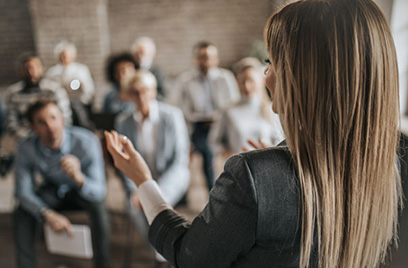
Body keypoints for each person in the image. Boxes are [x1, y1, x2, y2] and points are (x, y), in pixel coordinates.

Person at [105, 0, 402, 267]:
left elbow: (189, 256)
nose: (266, 76)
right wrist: (275, 166)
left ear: (304, 77)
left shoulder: (251, 174)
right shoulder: (396, 162)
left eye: (271, 62)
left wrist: (143, 181)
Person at [14, 99, 111, 268]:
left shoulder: (87, 142)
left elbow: (99, 191)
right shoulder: (26, 147)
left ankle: (103, 265)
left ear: (62, 119)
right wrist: (47, 213)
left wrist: (79, 177)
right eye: (41, 122)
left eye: (53, 118)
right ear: (33, 128)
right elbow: (22, 192)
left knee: (100, 208)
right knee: (21, 212)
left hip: (81, 189)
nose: (51, 126)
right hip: (52, 190)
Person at [114, 70, 190, 263]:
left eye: (144, 91)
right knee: (134, 206)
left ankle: (162, 253)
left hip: (172, 175)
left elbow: (180, 160)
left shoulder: (172, 115)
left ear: (154, 91)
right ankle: (162, 252)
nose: (140, 96)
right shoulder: (123, 121)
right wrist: (135, 189)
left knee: (154, 202)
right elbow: (125, 163)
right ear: (129, 95)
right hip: (139, 180)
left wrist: (152, 190)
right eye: (135, 92)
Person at [178, 41, 239, 190]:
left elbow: (234, 104)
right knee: (206, 148)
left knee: (213, 146)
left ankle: (222, 189)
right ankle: (213, 190)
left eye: (208, 57)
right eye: (201, 57)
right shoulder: (186, 81)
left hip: (223, 124)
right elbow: (183, 109)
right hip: (198, 125)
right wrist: (201, 117)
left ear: (216, 59)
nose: (204, 61)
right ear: (195, 59)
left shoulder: (226, 77)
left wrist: (217, 117)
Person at [210, 57, 284, 157]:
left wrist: (268, 152)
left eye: (251, 80)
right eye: (242, 81)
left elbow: (281, 144)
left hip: (265, 165)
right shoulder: (227, 110)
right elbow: (214, 142)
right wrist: (232, 156)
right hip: (236, 166)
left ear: (261, 80)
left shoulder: (273, 110)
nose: (246, 86)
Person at [4, 54, 72, 140]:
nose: (31, 72)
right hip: (26, 140)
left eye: (35, 67)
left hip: (54, 137)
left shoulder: (54, 90)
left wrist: (51, 134)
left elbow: (65, 117)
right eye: (27, 68)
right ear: (21, 71)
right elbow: (11, 123)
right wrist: (31, 139)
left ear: (41, 68)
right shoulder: (13, 94)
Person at [45, 41, 95, 128]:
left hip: (78, 102)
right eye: (62, 55)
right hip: (60, 103)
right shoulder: (52, 72)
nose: (64, 58)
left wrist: (83, 101)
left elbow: (89, 89)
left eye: (66, 55)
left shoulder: (81, 70)